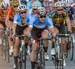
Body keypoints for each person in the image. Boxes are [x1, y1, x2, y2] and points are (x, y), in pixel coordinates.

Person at [51, 1, 72, 66]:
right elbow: (49, 23)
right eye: (58, 9)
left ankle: (63, 56)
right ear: (56, 9)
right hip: (54, 26)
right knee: (54, 35)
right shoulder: (53, 13)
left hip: (62, 26)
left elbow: (68, 22)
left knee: (63, 42)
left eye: (61, 9)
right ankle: (53, 48)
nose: (60, 11)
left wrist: (69, 30)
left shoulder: (65, 13)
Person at [13, 4, 29, 69]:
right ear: (19, 13)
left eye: (24, 12)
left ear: (26, 12)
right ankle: (15, 62)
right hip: (18, 29)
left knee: (27, 34)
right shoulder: (16, 17)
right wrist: (14, 33)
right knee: (16, 44)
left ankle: (26, 46)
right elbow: (14, 26)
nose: (23, 14)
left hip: (25, 28)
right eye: (21, 12)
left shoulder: (29, 16)